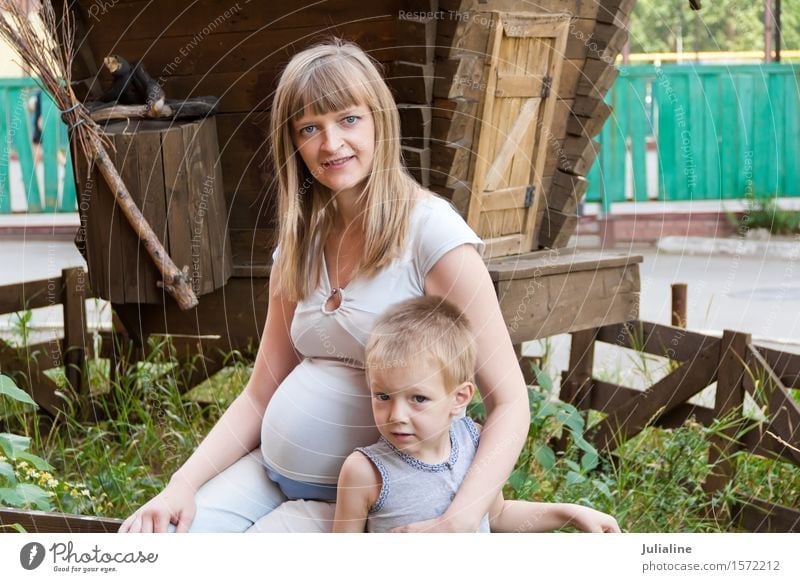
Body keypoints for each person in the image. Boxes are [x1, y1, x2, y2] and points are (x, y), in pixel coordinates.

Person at [120, 38, 529, 533]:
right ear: (293, 143)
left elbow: (510, 403)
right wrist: (180, 484)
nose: (331, 144)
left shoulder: (433, 236)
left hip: (371, 503)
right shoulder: (301, 244)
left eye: (348, 120)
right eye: (310, 128)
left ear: (379, 120)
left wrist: (455, 522)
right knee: (158, 542)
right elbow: (259, 395)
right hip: (272, 474)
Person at [333, 296, 620, 533]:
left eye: (418, 398)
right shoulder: (365, 472)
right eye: (383, 396)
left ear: (459, 399)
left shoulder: (474, 442)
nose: (396, 415)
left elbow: (497, 515)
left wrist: (569, 513)